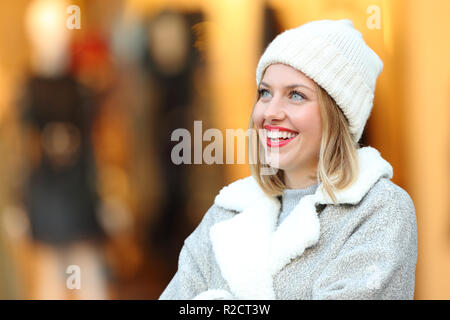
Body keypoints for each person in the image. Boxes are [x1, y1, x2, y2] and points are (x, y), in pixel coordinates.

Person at [159, 19, 417, 300]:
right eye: (265, 92)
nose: (271, 111)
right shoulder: (227, 212)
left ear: (337, 114)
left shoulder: (379, 209)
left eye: (296, 95)